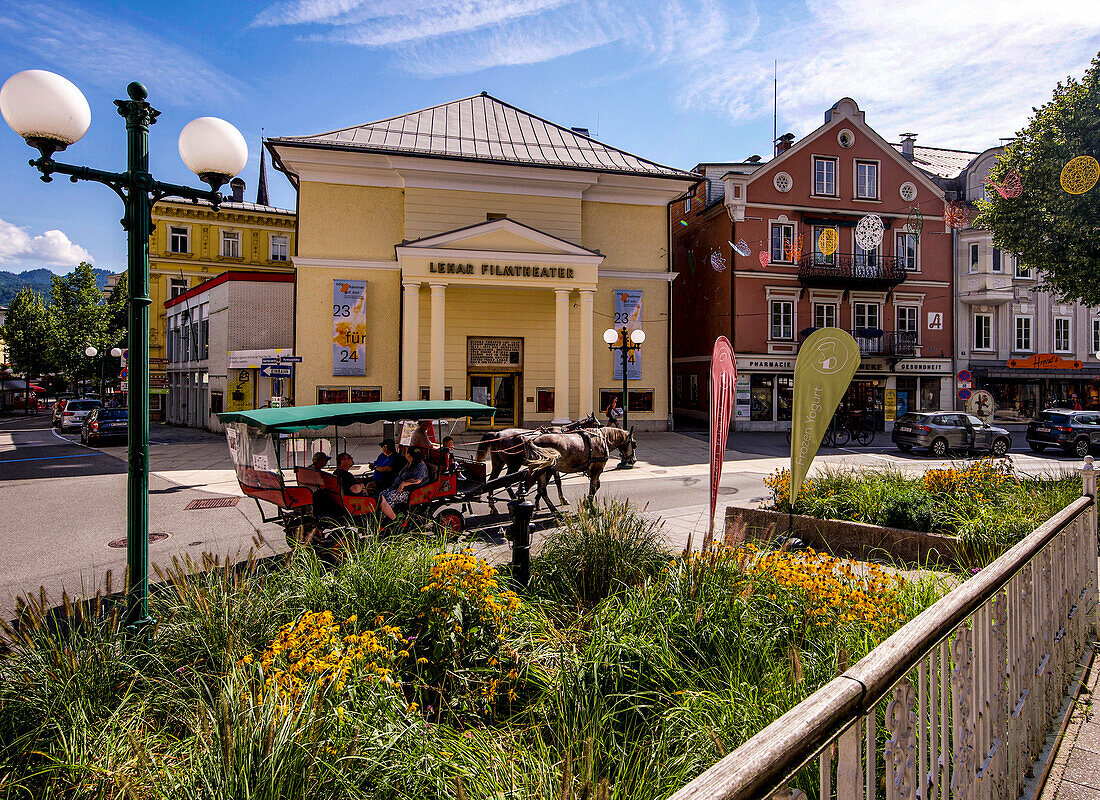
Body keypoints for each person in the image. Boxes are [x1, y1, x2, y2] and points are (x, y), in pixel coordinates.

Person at [379, 447, 429, 521]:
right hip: (397, 487)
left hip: (410, 491)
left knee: (390, 497)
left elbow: (418, 480)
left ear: (408, 455)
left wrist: (404, 484)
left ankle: (387, 519)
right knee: (382, 494)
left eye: (406, 453)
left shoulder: (420, 466)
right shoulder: (409, 463)